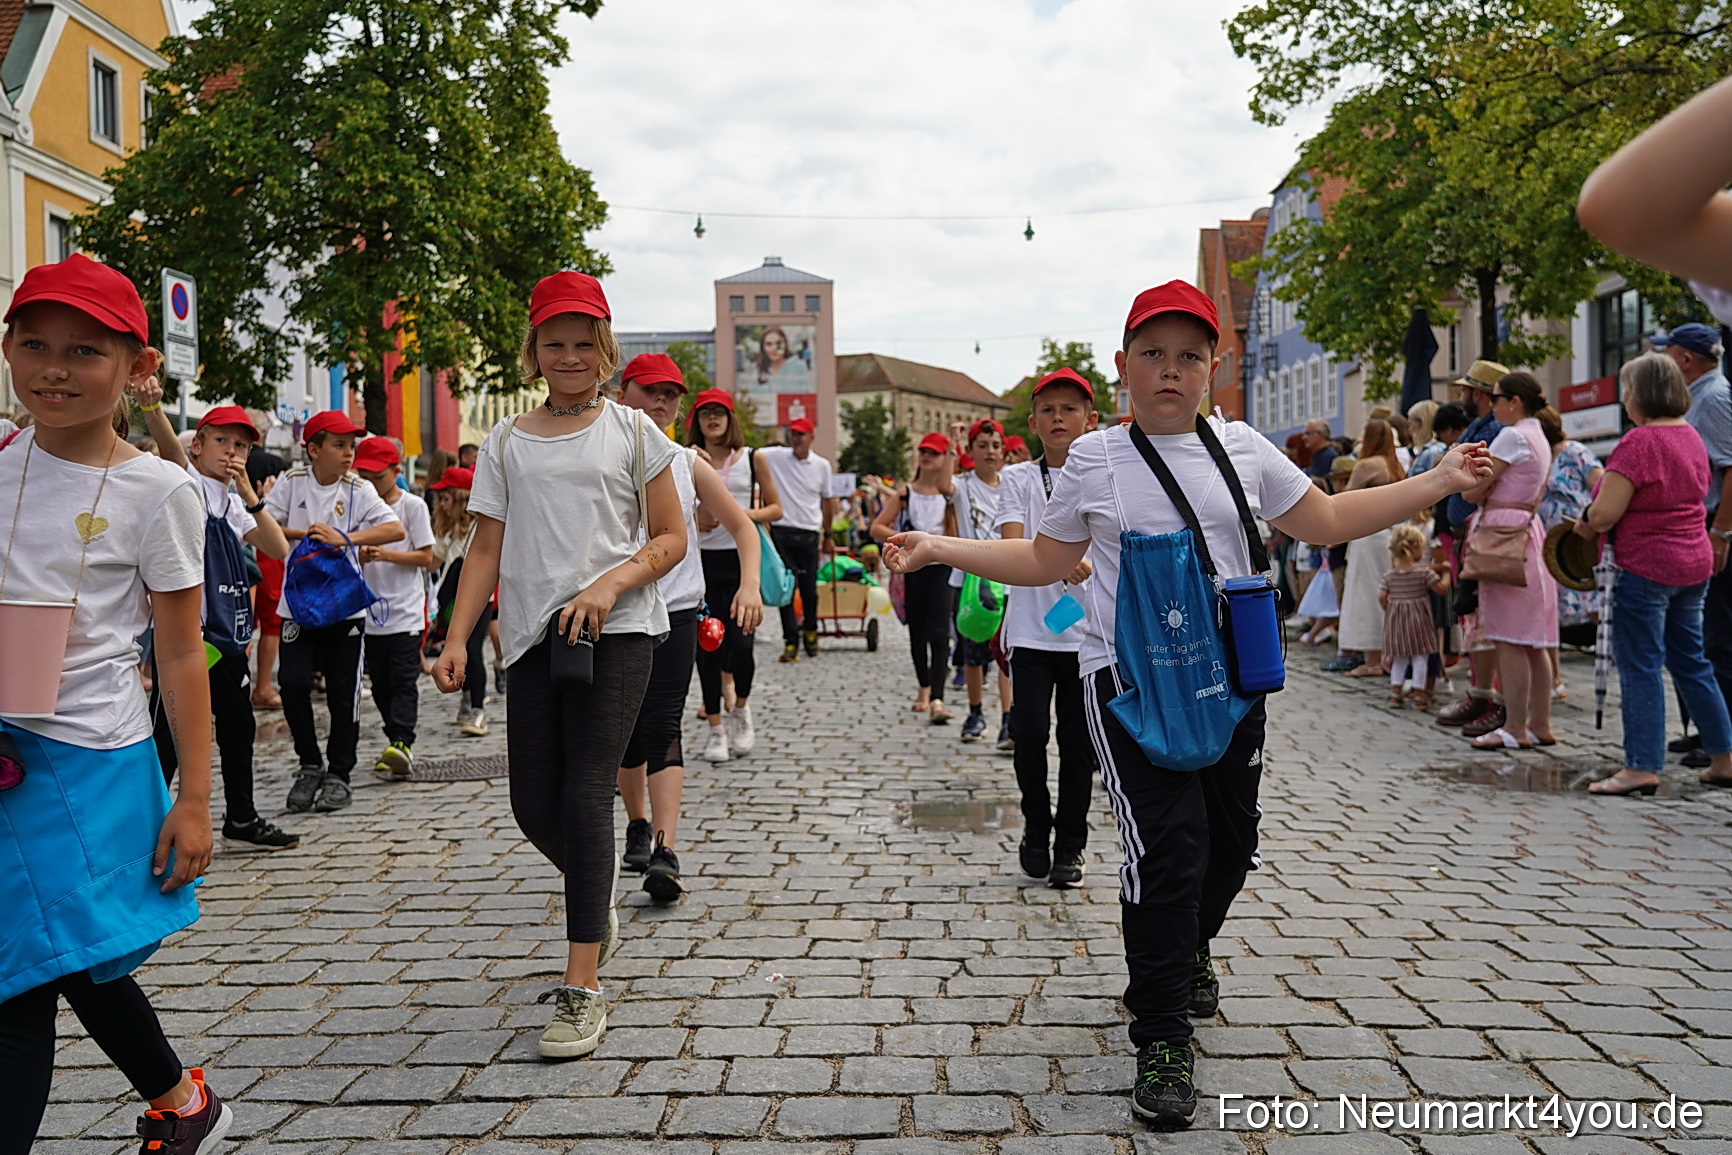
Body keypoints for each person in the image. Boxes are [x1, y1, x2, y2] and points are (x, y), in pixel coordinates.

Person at [883, 280, 1491, 1129]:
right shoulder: (1094, 458)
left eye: (1190, 355)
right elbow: (1048, 561)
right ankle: (1161, 1030)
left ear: (1214, 365)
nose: (1171, 369)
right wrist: (937, 546)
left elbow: (1325, 519)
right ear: (1124, 362)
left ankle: (1187, 948)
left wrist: (1438, 479)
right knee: (1167, 849)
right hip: (1126, 684)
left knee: (1231, 846)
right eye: (1153, 353)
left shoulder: (1242, 447)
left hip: (1232, 680)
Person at [1, 254, 232, 1152]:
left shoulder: (158, 489)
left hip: (90, 759)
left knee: (24, 972)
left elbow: (180, 654)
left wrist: (198, 798)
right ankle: (183, 1101)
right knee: (69, 959)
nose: (54, 368)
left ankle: (184, 1103)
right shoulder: (4, 459)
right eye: (35, 345)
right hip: (5, 748)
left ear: (138, 367)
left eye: (85, 351)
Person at [432, 271, 687, 1060]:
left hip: (620, 631)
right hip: (534, 639)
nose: (569, 355)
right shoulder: (507, 439)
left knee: (585, 793)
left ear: (606, 348)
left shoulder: (637, 433)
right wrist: (458, 637)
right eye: (555, 343)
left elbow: (672, 538)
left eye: (583, 342)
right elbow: (485, 548)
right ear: (534, 350)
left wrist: (609, 584)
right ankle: (596, 893)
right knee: (530, 801)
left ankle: (582, 989)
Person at [615, 355, 763, 901]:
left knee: (663, 724)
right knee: (624, 729)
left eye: (672, 395)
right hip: (615, 613)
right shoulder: (594, 454)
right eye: (650, 391)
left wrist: (749, 585)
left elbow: (743, 527)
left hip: (676, 609)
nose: (661, 402)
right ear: (622, 391)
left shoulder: (686, 462)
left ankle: (664, 847)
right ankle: (634, 821)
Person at [142, 404, 297, 851]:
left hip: (224, 637)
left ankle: (242, 817)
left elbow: (277, 545)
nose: (232, 452)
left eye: (242, 445)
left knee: (238, 724)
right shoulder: (186, 483)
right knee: (167, 734)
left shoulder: (232, 503)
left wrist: (250, 493)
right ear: (199, 445)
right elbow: (169, 447)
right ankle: (145, 822)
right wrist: (152, 404)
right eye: (222, 441)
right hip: (183, 637)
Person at [1575, 353, 1732, 793]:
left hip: (1646, 566)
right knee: (1692, 662)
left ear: (1640, 393)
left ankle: (1641, 766)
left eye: (1626, 388)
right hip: (1693, 561)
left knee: (1641, 664)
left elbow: (1606, 513)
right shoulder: (1691, 437)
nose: (1624, 398)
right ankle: (1725, 757)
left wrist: (1586, 519)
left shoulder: (1639, 442)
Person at [265, 411, 406, 812]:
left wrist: (344, 537)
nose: (349, 454)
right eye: (339, 445)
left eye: (351, 446)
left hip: (344, 607)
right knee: (292, 683)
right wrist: (305, 533)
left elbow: (393, 528)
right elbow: (261, 525)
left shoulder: (358, 488)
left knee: (344, 693)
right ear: (313, 449)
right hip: (298, 604)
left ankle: (339, 773)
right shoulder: (292, 484)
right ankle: (309, 762)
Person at [996, 368, 1099, 888]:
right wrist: (1057, 559)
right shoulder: (1017, 478)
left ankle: (1070, 846)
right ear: (1034, 422)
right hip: (1033, 631)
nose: (1059, 418)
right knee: (1030, 733)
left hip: (1089, 636)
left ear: (1090, 419)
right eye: (1049, 410)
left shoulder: (1107, 474)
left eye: (1070, 409)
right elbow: (1014, 546)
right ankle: (1037, 825)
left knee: (1079, 745)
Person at [1460, 373, 1559, 750]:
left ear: (1514, 401)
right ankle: (1540, 723)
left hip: (1504, 536)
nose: (1493, 404)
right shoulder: (1539, 435)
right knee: (1534, 640)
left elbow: (1475, 488)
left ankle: (1515, 727)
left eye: (1497, 397)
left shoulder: (1513, 435)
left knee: (1508, 637)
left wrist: (1472, 488)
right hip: (1527, 534)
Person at [688, 387, 783, 762]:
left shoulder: (752, 459)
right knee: (707, 648)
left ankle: (740, 710)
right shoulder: (688, 458)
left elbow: (776, 508)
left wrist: (742, 517)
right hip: (702, 564)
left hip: (742, 561)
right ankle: (714, 727)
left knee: (742, 647)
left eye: (719, 412)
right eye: (704, 413)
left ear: (730, 420)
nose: (712, 418)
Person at [1434, 361, 1509, 734]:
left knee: (1482, 615)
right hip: (1467, 529)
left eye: (1467, 390)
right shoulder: (1484, 427)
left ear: (1480, 393)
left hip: (1479, 528)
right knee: (1473, 616)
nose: (1461, 396)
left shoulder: (1496, 430)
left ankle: (1492, 694)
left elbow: (1484, 481)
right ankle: (1482, 691)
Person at [355, 437, 436, 777]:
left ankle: (402, 741)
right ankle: (394, 741)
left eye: (378, 476)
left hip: (405, 610)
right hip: (368, 613)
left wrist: (386, 553)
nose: (371, 483)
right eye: (365, 476)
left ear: (396, 471)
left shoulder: (412, 506)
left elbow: (427, 557)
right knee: (382, 684)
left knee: (403, 680)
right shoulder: (358, 505)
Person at [872, 432, 960, 722]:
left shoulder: (950, 495)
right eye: (924, 451)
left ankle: (938, 696)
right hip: (912, 568)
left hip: (942, 568)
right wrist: (905, 540)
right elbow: (877, 527)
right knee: (917, 632)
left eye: (934, 453)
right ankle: (923, 687)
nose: (927, 456)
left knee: (939, 632)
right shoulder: (906, 492)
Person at [946, 418, 1013, 744]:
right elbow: (942, 483)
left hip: (1008, 581)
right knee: (972, 651)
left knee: (1005, 653)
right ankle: (975, 713)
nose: (990, 452)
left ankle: (1007, 718)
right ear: (971, 450)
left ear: (1004, 452)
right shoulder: (963, 485)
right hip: (969, 581)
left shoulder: (1013, 483)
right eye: (982, 445)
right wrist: (951, 443)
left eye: (996, 446)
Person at [1334, 419, 1406, 680]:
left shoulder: (1366, 465)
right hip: (1389, 534)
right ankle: (1389, 654)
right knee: (1386, 593)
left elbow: (1346, 500)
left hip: (1366, 535)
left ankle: (1373, 658)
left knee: (1365, 596)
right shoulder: (1395, 465)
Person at [1537, 406, 1604, 685]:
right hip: (1551, 542)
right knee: (1552, 601)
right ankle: (1554, 677)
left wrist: (1594, 518)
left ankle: (1607, 649)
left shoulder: (1573, 451)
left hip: (1578, 535)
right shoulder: (1539, 456)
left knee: (1592, 597)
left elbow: (1600, 482)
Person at [760, 417, 835, 661]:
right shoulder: (777, 456)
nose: (796, 439)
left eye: (801, 435)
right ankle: (790, 640)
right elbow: (748, 452)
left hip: (809, 533)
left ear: (811, 437)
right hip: (782, 530)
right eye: (792, 434)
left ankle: (810, 630)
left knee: (809, 590)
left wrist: (829, 534)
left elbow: (827, 501)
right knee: (786, 589)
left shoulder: (822, 465)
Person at [426, 466, 493, 733]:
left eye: (446, 497)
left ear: (461, 497)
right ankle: (467, 697)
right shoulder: (447, 530)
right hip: (451, 600)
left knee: (473, 650)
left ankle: (478, 707)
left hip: (479, 599)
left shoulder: (480, 525)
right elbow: (433, 561)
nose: (441, 503)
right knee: (457, 649)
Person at [1381, 524, 1448, 709]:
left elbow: (1382, 597)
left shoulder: (1389, 576)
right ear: (1415, 548)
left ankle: (1395, 693)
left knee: (1399, 657)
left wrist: (1391, 610)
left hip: (1397, 623)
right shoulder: (1423, 573)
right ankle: (1420, 694)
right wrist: (1447, 572)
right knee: (1420, 657)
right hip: (1420, 622)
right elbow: (1441, 589)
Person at [247, 445, 288, 709]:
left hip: (249, 546)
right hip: (264, 546)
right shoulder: (274, 464)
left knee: (243, 620)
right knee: (271, 622)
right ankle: (262, 686)